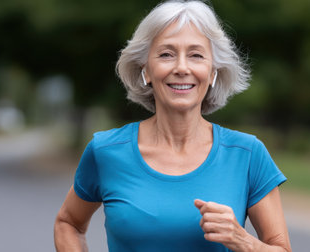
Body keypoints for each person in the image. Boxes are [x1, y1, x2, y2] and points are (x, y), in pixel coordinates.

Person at [54, 1, 291, 251]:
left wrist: (242, 240)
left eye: (196, 55)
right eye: (166, 54)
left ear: (212, 73)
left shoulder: (247, 154)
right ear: (146, 70)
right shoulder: (106, 151)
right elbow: (68, 223)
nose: (181, 67)